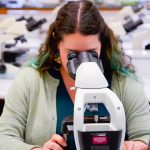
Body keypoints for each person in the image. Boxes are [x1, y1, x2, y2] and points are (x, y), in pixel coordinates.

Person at [0, 1, 150, 150]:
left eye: (91, 52)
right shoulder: (30, 80)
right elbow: (4, 137)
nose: (81, 62)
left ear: (102, 42)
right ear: (56, 41)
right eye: (72, 53)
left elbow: (145, 134)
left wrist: (139, 145)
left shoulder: (123, 81)